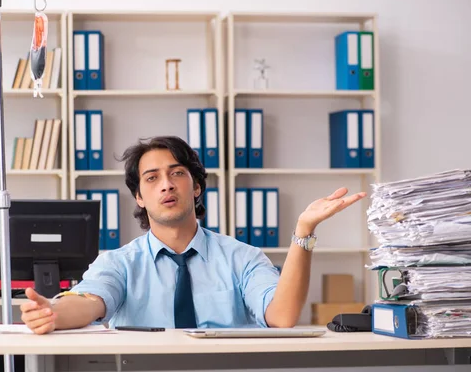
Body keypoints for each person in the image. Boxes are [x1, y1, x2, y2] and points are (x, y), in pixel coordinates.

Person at [20, 136, 366, 334]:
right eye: (152, 178)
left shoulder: (242, 257)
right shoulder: (119, 263)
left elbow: (282, 316)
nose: (167, 184)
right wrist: (52, 311)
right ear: (139, 197)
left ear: (197, 186)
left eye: (177, 173)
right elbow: (91, 302)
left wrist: (303, 231)